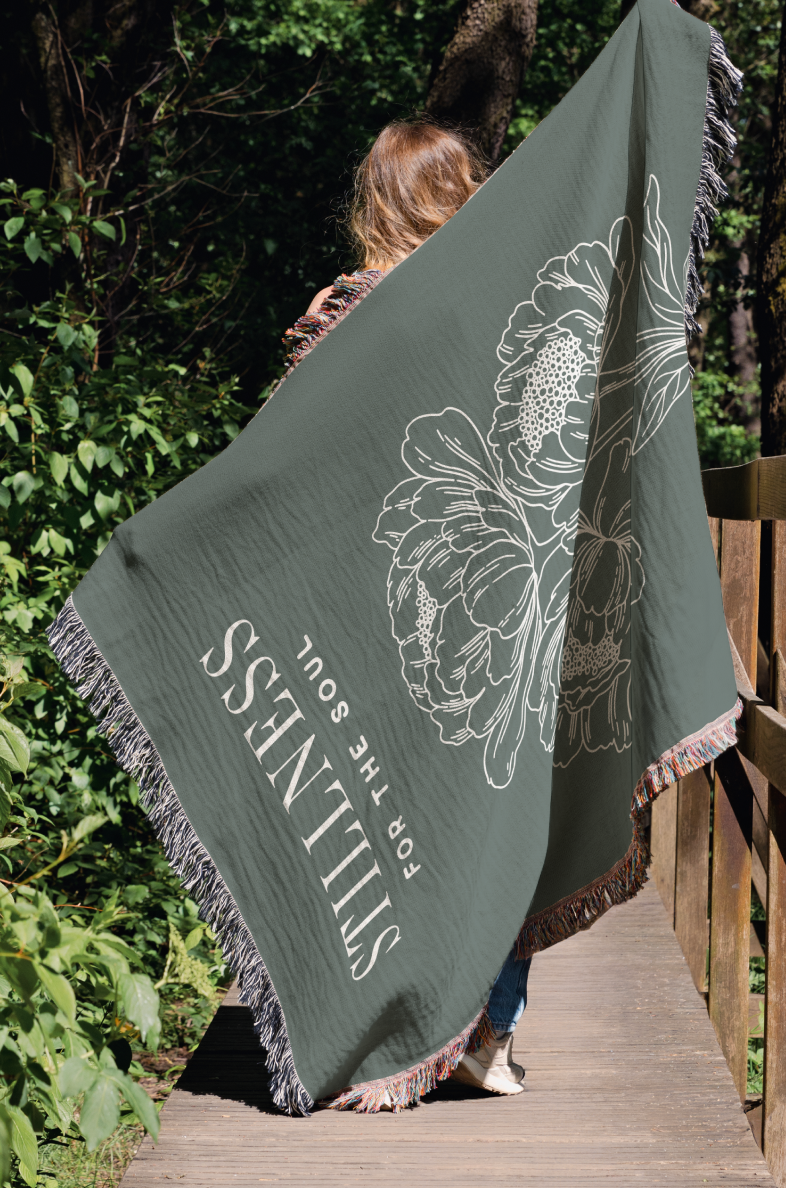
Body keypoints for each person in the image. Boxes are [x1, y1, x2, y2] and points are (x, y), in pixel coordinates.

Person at [280, 119, 530, 1099]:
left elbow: (290, 462)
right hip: (463, 598)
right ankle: (482, 1038)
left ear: (376, 200)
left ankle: (360, 1036)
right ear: (453, 198)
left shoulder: (328, 310)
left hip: (349, 595)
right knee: (488, 814)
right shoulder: (484, 305)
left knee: (361, 806)